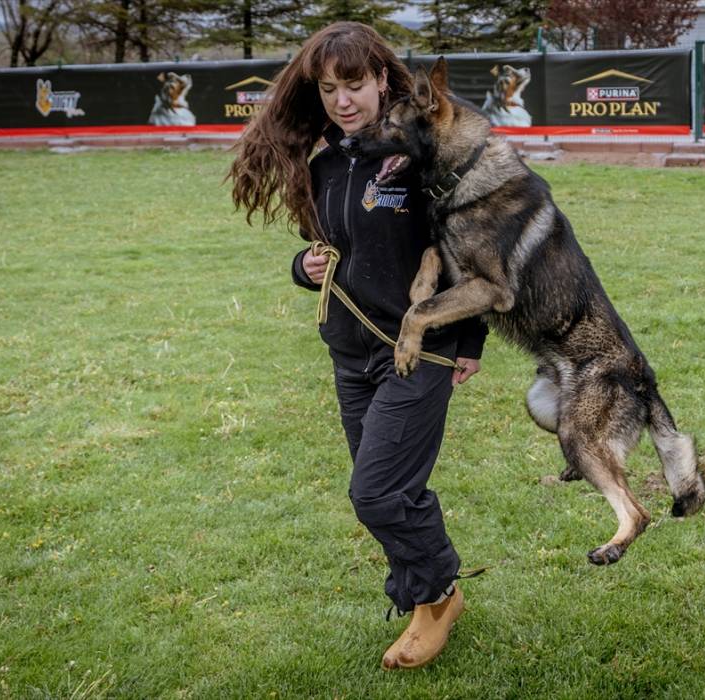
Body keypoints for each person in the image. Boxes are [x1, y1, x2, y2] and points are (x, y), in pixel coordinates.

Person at [230, 22, 488, 670]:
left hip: (419, 350)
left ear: (381, 80)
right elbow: (328, 247)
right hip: (350, 353)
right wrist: (303, 267)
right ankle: (421, 594)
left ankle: (439, 597)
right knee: (389, 490)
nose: (342, 100)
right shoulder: (324, 165)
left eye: (353, 85)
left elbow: (471, 249)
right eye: (328, 89)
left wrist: (471, 339)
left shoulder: (420, 155)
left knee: (376, 493)